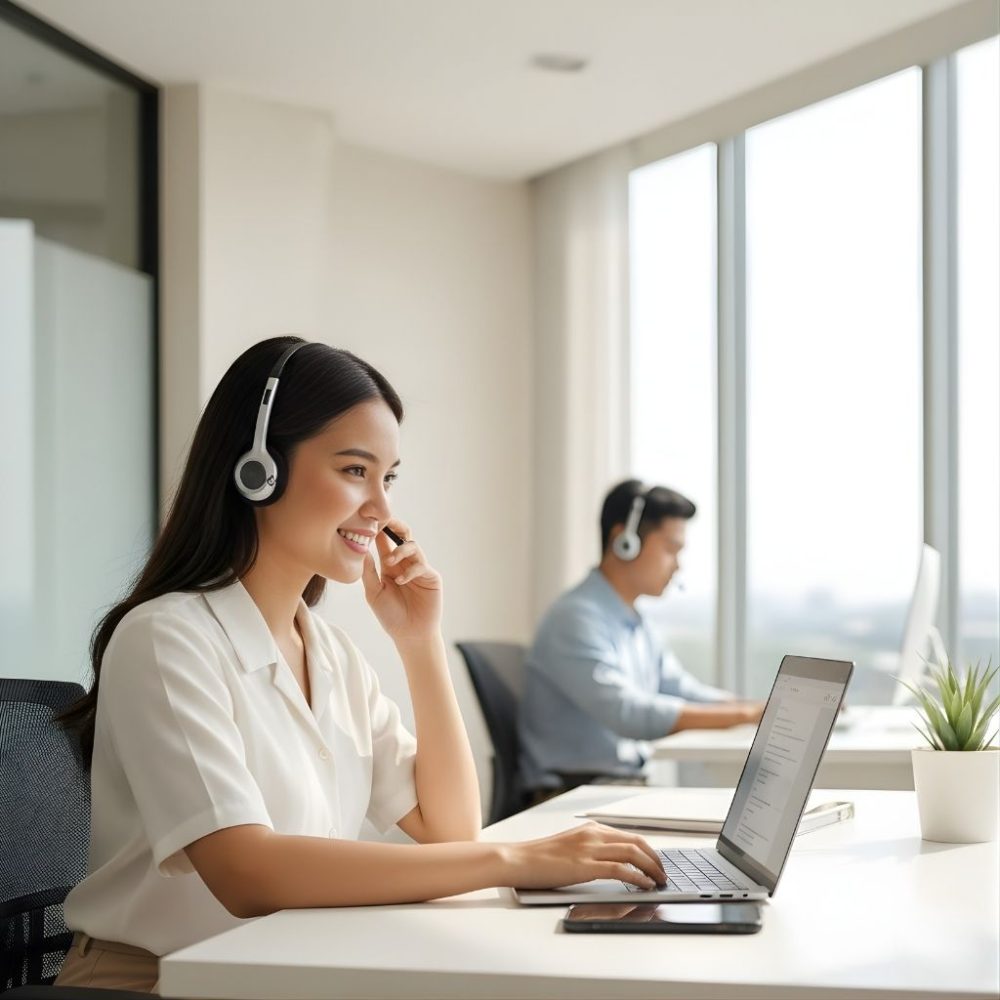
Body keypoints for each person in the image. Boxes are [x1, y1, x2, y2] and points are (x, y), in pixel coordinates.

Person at [54, 338, 666, 994]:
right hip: (155, 982)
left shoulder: (331, 654)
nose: (382, 509)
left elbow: (449, 829)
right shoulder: (166, 639)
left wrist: (419, 642)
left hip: (283, 973)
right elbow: (247, 873)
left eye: (389, 477)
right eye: (354, 471)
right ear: (258, 468)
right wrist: (515, 859)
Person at [520, 480, 764, 797]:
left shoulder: (635, 622)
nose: (678, 565)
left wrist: (759, 707)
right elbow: (628, 713)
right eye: (670, 549)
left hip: (614, 788)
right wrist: (747, 715)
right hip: (570, 794)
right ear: (624, 540)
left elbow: (682, 689)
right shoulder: (575, 618)